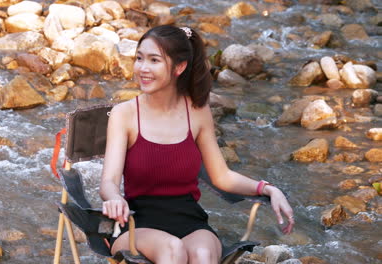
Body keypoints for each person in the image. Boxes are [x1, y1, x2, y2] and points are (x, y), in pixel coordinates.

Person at [99, 25, 294, 264]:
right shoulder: (124, 114)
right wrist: (114, 198)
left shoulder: (198, 113)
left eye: (154, 60)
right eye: (139, 58)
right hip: (136, 223)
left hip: (191, 222)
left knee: (201, 255)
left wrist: (267, 188)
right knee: (172, 250)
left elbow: (222, 176)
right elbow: (108, 182)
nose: (143, 68)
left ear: (179, 68)